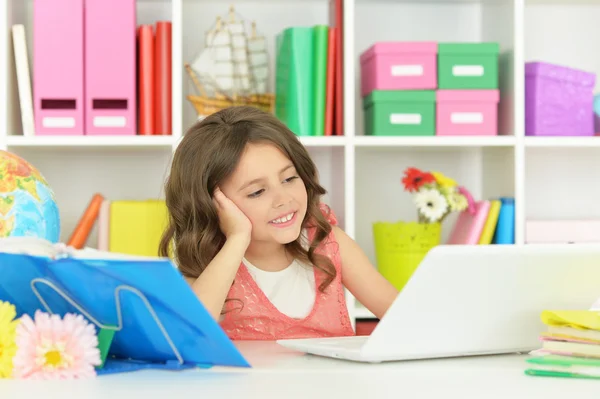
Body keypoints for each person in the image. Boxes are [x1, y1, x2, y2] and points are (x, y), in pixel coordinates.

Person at [159, 106, 398, 340]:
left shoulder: (329, 244)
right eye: (257, 192)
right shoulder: (210, 263)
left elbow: (404, 318)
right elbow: (188, 333)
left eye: (289, 178)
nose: (284, 199)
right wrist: (237, 238)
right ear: (212, 204)